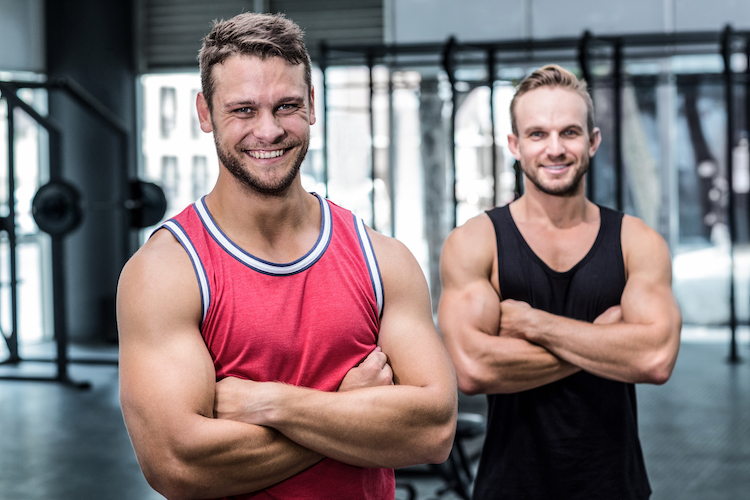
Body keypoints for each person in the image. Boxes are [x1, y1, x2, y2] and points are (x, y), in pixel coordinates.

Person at [117, 12, 457, 500]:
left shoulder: (382, 259)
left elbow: (433, 431)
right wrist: (349, 410)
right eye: (243, 110)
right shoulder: (166, 273)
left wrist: (271, 404)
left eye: (287, 106)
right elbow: (178, 465)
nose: (268, 130)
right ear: (205, 113)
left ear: (312, 105)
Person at [438, 65, 682, 499]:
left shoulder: (636, 242)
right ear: (514, 145)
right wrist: (606, 340)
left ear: (592, 141)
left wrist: (534, 325)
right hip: (509, 487)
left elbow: (656, 358)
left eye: (569, 133)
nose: (555, 149)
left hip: (615, 487)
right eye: (537, 134)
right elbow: (472, 370)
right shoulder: (476, 242)